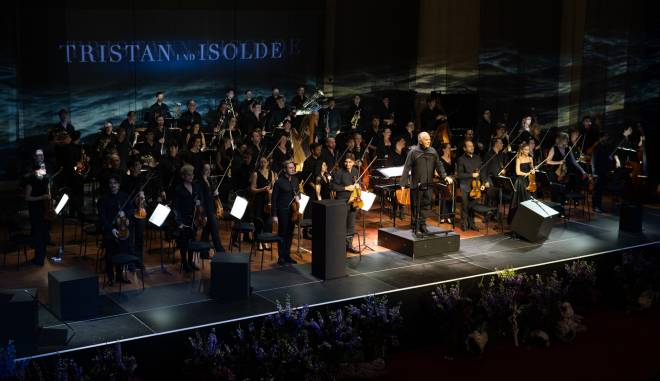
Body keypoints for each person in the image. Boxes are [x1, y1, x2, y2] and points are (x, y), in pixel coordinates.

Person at [400, 132, 452, 234]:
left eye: (429, 139)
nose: (429, 141)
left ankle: (422, 224)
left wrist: (445, 176)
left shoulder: (433, 151)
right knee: (416, 206)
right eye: (426, 139)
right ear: (420, 140)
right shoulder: (413, 152)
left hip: (429, 184)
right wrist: (403, 183)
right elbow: (407, 167)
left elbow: (439, 164)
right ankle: (415, 225)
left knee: (427, 205)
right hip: (417, 185)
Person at [98, 175, 134, 285]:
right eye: (111, 183)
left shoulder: (125, 196)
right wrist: (111, 229)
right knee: (110, 254)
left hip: (122, 229)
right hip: (110, 230)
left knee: (121, 252)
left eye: (115, 183)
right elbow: (102, 217)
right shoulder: (103, 199)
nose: (113, 185)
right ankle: (110, 277)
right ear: (109, 185)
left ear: (119, 185)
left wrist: (126, 215)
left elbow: (131, 210)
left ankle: (119, 276)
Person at [173, 165, 206, 272]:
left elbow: (201, 198)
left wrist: (199, 201)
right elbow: (176, 207)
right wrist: (179, 222)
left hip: (195, 218)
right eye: (189, 174)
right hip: (184, 219)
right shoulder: (178, 189)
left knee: (192, 240)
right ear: (183, 176)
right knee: (184, 242)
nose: (192, 176)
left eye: (192, 174)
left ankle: (191, 261)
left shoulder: (196, 186)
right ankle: (184, 262)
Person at [22, 152, 50, 266]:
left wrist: (47, 197)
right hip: (35, 209)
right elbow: (27, 197)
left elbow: (48, 193)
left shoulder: (45, 179)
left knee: (42, 234)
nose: (44, 170)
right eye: (42, 168)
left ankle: (41, 258)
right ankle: (39, 259)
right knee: (38, 234)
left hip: (44, 208)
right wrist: (41, 197)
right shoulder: (31, 180)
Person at [456, 140, 489, 231]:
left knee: (472, 207)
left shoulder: (477, 158)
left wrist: (483, 183)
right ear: (464, 148)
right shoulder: (461, 159)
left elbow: (481, 172)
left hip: (476, 187)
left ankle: (472, 224)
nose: (472, 147)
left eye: (472, 146)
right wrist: (471, 175)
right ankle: (464, 224)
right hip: (465, 186)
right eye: (469, 146)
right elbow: (459, 175)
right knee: (465, 207)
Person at [331, 153, 361, 252]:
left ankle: (349, 245)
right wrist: (346, 188)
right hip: (342, 201)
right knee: (341, 225)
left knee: (351, 224)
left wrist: (358, 186)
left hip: (353, 201)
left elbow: (358, 182)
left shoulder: (355, 171)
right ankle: (340, 246)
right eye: (346, 162)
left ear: (353, 162)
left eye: (350, 162)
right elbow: (333, 187)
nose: (347, 164)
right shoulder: (339, 172)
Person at [271, 161, 299, 265]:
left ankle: (287, 255)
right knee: (282, 234)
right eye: (290, 167)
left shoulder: (295, 180)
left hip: (293, 211)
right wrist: (274, 215)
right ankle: (281, 257)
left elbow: (297, 192)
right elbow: (274, 199)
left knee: (290, 234)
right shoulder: (279, 182)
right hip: (282, 211)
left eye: (293, 167)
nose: (293, 169)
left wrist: (298, 197)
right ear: (285, 169)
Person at [250, 156, 276, 246]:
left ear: (267, 163)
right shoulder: (256, 174)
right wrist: (262, 189)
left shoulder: (271, 173)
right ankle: (259, 241)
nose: (263, 164)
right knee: (259, 220)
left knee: (267, 221)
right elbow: (252, 189)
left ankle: (266, 240)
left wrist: (270, 191)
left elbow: (274, 187)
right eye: (261, 162)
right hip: (259, 200)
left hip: (268, 200)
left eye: (264, 162)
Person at [200, 163, 226, 253]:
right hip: (206, 209)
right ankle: (219, 250)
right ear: (202, 170)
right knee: (214, 229)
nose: (208, 171)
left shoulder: (209, 180)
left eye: (209, 169)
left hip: (211, 207)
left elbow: (210, 194)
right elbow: (202, 198)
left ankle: (203, 252)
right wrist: (204, 215)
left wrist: (215, 193)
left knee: (206, 231)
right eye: (206, 169)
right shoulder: (200, 182)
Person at [508, 142, 535, 224]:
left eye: (528, 150)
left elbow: (532, 170)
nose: (528, 151)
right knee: (521, 201)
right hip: (520, 182)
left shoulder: (530, 158)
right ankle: (518, 221)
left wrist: (533, 171)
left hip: (529, 181)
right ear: (522, 150)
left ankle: (528, 220)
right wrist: (526, 173)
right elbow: (518, 172)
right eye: (526, 150)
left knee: (530, 200)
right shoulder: (519, 158)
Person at [591, 132, 611, 213]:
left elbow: (605, 158)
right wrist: (594, 172)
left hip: (603, 171)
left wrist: (609, 157)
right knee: (597, 190)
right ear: (601, 138)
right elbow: (594, 159)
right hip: (598, 171)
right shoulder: (597, 147)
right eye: (605, 137)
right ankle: (595, 206)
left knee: (600, 190)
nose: (607, 138)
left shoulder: (605, 147)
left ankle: (598, 206)